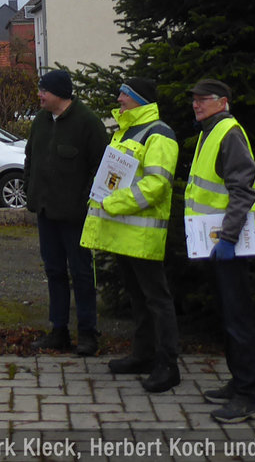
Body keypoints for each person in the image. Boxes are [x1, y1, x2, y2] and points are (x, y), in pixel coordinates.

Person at [81, 78, 181, 392]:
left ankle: (168, 366)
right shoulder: (126, 131)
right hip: (124, 233)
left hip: (142, 235)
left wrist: (113, 202)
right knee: (138, 298)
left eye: (124, 93)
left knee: (156, 300)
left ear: (138, 99)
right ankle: (143, 356)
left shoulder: (159, 134)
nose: (119, 98)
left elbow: (156, 185)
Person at [185, 78, 255, 424]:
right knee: (229, 317)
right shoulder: (210, 131)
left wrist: (229, 238)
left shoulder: (228, 133)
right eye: (195, 100)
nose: (197, 105)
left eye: (204, 99)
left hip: (229, 246)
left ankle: (248, 396)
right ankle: (239, 383)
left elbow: (242, 191)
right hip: (215, 244)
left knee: (238, 318)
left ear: (223, 101)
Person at [24, 69, 108, 356]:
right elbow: (30, 157)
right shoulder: (41, 121)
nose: (39, 95)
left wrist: (85, 200)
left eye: (43, 90)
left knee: (82, 273)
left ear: (60, 93)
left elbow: (102, 167)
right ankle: (58, 330)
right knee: (54, 271)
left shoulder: (87, 123)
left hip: (76, 216)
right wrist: (31, 190)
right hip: (46, 212)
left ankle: (87, 333)